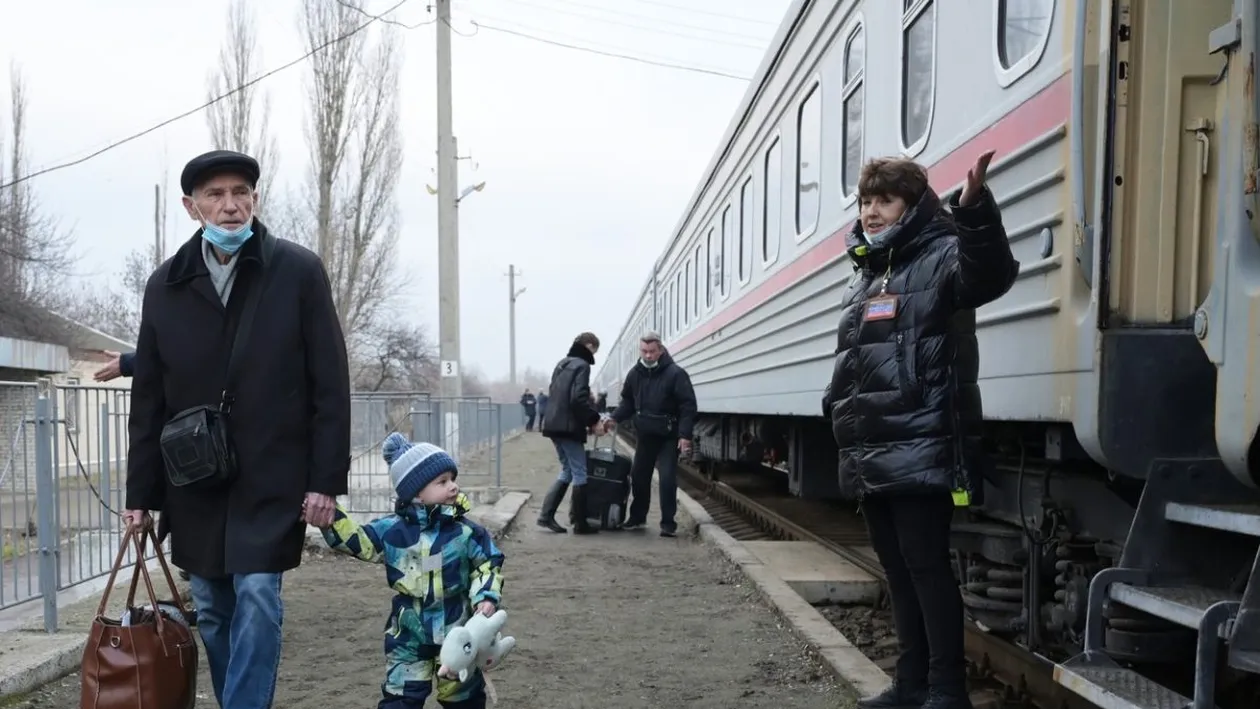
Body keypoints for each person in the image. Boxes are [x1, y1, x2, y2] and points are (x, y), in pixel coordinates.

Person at [124, 149, 352, 709]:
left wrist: (325, 481)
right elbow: (149, 397)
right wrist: (139, 499)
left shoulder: (296, 271)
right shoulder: (166, 286)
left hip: (273, 474)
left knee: (256, 592)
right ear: (191, 206)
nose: (230, 206)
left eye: (240, 193)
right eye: (215, 195)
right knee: (212, 603)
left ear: (254, 198)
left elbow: (330, 382)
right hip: (195, 480)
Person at [821, 151, 1017, 709]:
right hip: (872, 444)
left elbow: (990, 275)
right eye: (866, 201)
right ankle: (909, 686)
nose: (873, 211)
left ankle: (947, 691)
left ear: (910, 205)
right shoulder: (866, 273)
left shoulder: (941, 253)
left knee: (928, 571)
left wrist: (975, 209)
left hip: (922, 439)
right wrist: (836, 402)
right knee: (898, 573)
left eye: (885, 200)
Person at [318, 433, 504, 709]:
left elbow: (487, 564)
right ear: (416, 493)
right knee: (401, 699)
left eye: (452, 479)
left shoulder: (467, 532)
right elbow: (357, 540)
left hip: (458, 632)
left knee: (463, 698)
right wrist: (329, 516)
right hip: (407, 635)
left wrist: (485, 597)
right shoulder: (392, 532)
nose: (453, 487)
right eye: (442, 482)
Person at [608, 332, 697, 538]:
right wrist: (614, 418)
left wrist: (685, 435)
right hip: (646, 435)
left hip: (668, 435)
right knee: (639, 477)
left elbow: (687, 406)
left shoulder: (676, 374)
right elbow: (628, 403)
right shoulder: (635, 374)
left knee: (667, 479)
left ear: (661, 350)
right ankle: (638, 517)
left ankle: (668, 523)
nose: (648, 356)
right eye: (644, 351)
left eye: (652, 352)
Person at [537, 332, 605, 535]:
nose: (594, 354)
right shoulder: (582, 366)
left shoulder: (562, 363)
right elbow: (577, 399)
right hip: (568, 426)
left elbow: (559, 395)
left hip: (553, 424)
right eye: (595, 350)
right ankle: (580, 522)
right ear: (590, 345)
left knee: (567, 470)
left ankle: (545, 516)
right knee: (579, 472)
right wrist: (594, 419)